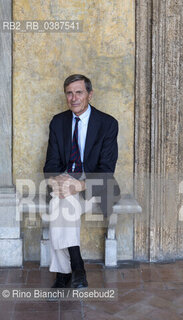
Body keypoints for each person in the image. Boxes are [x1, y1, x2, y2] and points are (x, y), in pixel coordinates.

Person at [43, 74, 120, 289]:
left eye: (79, 92)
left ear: (89, 94)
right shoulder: (58, 122)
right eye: (69, 93)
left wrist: (81, 185)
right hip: (67, 180)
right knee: (62, 200)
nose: (74, 98)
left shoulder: (107, 124)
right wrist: (57, 181)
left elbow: (107, 170)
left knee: (60, 203)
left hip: (96, 185)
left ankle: (63, 273)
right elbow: (50, 164)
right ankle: (77, 268)